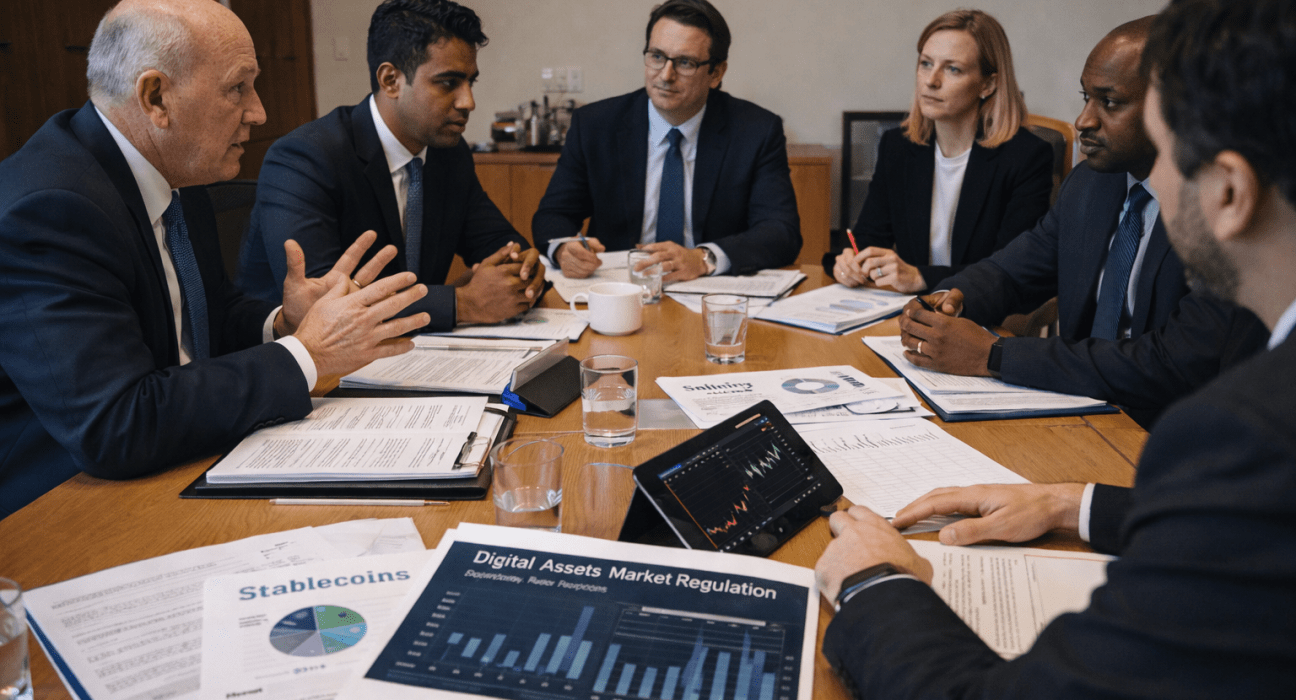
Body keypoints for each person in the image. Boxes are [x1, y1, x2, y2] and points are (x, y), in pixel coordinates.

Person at [815, 0, 1296, 696]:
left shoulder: (1245, 438)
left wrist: (873, 584)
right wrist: (1074, 505)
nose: (1155, 182)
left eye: (1168, 153)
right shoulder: (1092, 187)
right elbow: (1021, 264)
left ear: (1228, 190)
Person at [0, 0, 429, 518]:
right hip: (59, 504)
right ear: (156, 97)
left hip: (181, 455)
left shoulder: (176, 169)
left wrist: (284, 323)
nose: (259, 112)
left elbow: (205, 317)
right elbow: (116, 425)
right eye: (237, 88)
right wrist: (309, 354)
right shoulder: (51, 209)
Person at [895, 16, 1267, 427]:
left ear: (1175, 112)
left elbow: (1173, 363)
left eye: (1110, 102)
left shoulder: (1224, 211)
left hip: (1165, 430)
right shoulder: (1090, 183)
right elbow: (1013, 271)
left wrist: (994, 355)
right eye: (1086, 97)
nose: (1083, 121)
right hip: (1077, 410)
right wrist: (949, 299)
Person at [238, 0, 542, 332]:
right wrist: (463, 303)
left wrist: (524, 269)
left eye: (471, 82)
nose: (468, 101)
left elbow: (499, 243)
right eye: (448, 82)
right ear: (391, 80)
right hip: (300, 355)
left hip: (410, 348)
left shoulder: (449, 155)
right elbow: (322, 303)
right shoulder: (305, 157)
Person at [531, 0, 801, 282]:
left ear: (716, 73)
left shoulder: (756, 132)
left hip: (709, 287)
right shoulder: (596, 125)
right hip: (621, 288)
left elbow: (781, 231)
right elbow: (553, 215)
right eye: (657, 56)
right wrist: (564, 249)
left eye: (685, 63)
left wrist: (704, 258)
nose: (666, 75)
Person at [830, 9, 1053, 294]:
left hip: (980, 312)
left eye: (952, 69)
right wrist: (850, 262)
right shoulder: (897, 146)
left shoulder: (1026, 157)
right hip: (906, 308)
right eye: (926, 64)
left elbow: (1011, 270)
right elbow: (869, 238)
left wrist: (921, 277)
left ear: (988, 84)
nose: (931, 81)